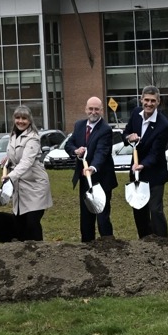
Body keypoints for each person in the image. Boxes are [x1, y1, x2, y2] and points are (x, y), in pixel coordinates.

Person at [63, 95, 115, 242]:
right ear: (86, 109)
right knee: (86, 216)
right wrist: (76, 151)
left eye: (96, 109)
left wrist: (92, 167)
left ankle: (108, 244)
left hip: (101, 180)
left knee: (102, 216)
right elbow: (69, 144)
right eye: (90, 109)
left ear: (101, 110)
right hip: (85, 179)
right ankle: (87, 245)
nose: (93, 112)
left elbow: (102, 152)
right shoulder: (79, 125)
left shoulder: (105, 130)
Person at [123, 86, 168, 238]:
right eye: (146, 100)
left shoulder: (163, 125)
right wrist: (128, 138)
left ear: (158, 102)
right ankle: (145, 240)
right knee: (139, 209)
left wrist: (143, 165)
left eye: (153, 101)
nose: (149, 104)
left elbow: (156, 153)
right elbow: (126, 133)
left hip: (154, 173)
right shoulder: (135, 114)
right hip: (136, 172)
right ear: (141, 100)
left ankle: (162, 241)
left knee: (155, 209)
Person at [1, 105, 52, 241]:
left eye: (24, 118)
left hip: (35, 185)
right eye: (18, 118)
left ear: (30, 120)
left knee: (32, 223)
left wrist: (10, 177)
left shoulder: (33, 138)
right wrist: (8, 160)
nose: (20, 121)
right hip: (20, 186)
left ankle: (39, 252)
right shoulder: (12, 136)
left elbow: (26, 162)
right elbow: (16, 157)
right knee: (19, 223)